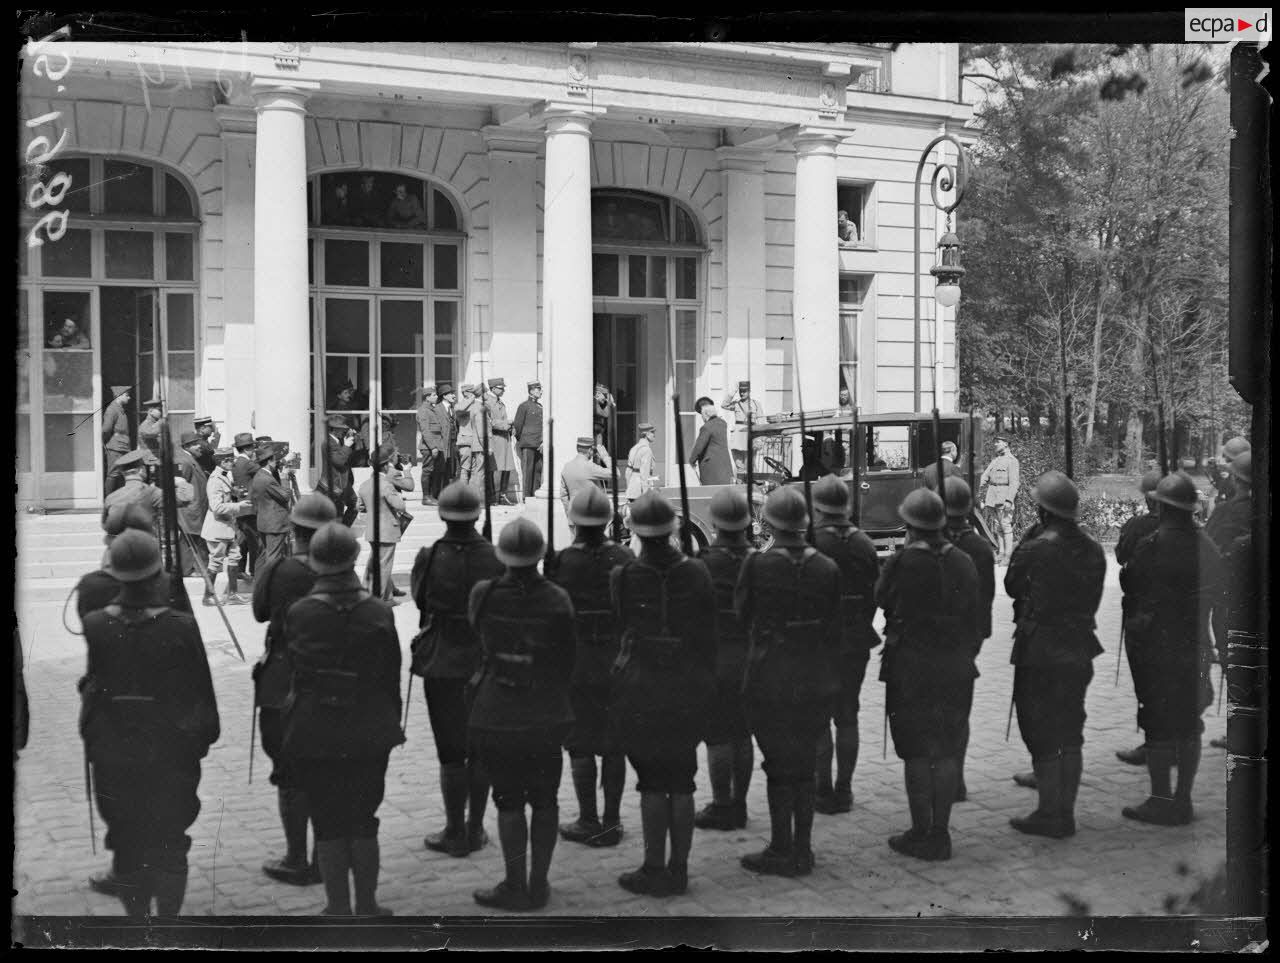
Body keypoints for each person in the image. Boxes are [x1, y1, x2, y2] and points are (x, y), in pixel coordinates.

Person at [80, 529, 220, 918]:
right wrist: (198, 741)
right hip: (170, 753)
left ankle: (138, 927)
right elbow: (203, 698)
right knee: (171, 844)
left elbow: (94, 693)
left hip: (115, 755)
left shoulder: (95, 625)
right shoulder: (180, 626)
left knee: (126, 844)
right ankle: (168, 926)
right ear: (158, 574)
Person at [281, 522, 403, 916]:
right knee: (365, 819)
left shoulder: (301, 613)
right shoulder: (379, 611)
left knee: (328, 821)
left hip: (317, 727)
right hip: (369, 727)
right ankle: (366, 904)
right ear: (354, 559)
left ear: (315, 562)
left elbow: (295, 672)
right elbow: (391, 677)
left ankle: (336, 906)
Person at [467, 518, 578, 911]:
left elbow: (476, 635)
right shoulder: (557, 598)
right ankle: (538, 881)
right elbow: (568, 656)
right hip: (545, 708)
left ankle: (515, 883)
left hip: (498, 707)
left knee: (509, 800)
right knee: (545, 799)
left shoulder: (484, 593)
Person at [610, 491, 716, 897]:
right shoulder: (697, 573)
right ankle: (679, 868)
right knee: (683, 779)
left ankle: (655, 867)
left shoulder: (625, 576)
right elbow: (708, 632)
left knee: (652, 782)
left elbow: (623, 625)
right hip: (687, 682)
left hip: (642, 684)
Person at [733, 487, 842, 877]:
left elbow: (742, 616)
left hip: (771, 673)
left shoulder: (758, 566)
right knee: (806, 762)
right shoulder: (826, 566)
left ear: (770, 523)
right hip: (815, 674)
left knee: (778, 764)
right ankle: (803, 847)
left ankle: (783, 847)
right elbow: (834, 622)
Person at [877, 488, 980, 862]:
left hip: (911, 666)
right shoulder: (964, 560)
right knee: (948, 747)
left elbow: (881, 598)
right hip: (955, 663)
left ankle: (922, 832)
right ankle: (941, 832)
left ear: (909, 524)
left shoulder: (901, 563)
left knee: (917, 753)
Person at [1004, 471, 1106, 839]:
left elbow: (1012, 584)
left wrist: (1029, 539)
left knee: (1041, 731)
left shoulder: (1036, 547)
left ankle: (1051, 813)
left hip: (1041, 649)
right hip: (1078, 645)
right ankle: (1064, 809)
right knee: (1070, 732)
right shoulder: (1094, 548)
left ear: (1043, 512)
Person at [1119, 472, 1220, 827]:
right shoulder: (1206, 544)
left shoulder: (1150, 545)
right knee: (1189, 724)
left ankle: (1161, 799)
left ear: (1161, 506)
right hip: (1195, 645)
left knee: (1159, 726)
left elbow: (1130, 583)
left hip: (1159, 648)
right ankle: (1183, 799)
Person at [409, 482, 504, 858]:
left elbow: (419, 599)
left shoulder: (429, 557)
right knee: (479, 748)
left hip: (443, 659)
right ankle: (476, 826)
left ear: (443, 515)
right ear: (478, 515)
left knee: (450, 751)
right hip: (484, 659)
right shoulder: (495, 557)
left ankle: (454, 827)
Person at [251, 493, 338, 887]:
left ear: (295, 530)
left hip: (283, 681)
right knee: (325, 771)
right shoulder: (341, 573)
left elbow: (259, 612)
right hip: (331, 681)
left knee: (289, 773)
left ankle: (296, 856)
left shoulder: (279, 568)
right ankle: (325, 858)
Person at [551, 487, 635, 850]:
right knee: (614, 743)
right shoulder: (625, 555)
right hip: (616, 659)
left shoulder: (563, 561)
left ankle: (589, 818)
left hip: (578, 660)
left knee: (581, 744)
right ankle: (612, 819)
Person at [810, 475, 881, 816]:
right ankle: (845, 788)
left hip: (820, 641)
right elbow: (873, 595)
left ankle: (822, 788)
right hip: (856, 638)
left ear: (818, 507)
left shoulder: (812, 542)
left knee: (821, 717)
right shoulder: (864, 542)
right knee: (848, 714)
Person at [693, 488, 757, 832]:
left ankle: (721, 804)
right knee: (743, 734)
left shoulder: (705, 562)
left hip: (717, 655)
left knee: (718, 736)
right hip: (749, 654)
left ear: (715, 523)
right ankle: (740, 803)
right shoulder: (757, 559)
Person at [942, 478, 995, 802]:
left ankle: (945, 777)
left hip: (938, 640)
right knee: (958, 714)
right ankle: (956, 777)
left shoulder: (936, 544)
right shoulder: (978, 546)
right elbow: (986, 597)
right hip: (967, 638)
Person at [1112, 470, 1163, 768]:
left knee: (1147, 682)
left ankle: (1153, 743)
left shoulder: (1137, 526)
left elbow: (1120, 557)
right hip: (1179, 619)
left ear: (1147, 497)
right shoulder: (1195, 530)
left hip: (1143, 615)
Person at [1203, 449, 1253, 750]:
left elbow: (1207, 550)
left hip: (1230, 599)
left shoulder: (1226, 512)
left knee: (1234, 663)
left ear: (1237, 479)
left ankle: (1241, 732)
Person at [357, 442, 414, 602]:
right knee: (384, 565)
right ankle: (380, 599)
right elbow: (400, 505)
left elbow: (360, 507)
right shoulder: (386, 485)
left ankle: (373, 592)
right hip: (387, 530)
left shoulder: (365, 484)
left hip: (372, 530)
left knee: (375, 562)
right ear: (386, 465)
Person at [200, 447, 253, 606]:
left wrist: (235, 494)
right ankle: (208, 596)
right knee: (215, 561)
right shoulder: (215, 480)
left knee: (235, 557)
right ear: (222, 461)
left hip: (227, 527)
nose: (233, 462)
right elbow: (216, 507)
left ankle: (232, 594)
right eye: (230, 460)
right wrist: (239, 506)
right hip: (217, 528)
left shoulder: (223, 476)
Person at [251, 443, 294, 572]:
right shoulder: (267, 479)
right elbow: (285, 496)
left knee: (263, 556)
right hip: (274, 524)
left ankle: (259, 585)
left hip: (265, 522)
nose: (277, 462)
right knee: (273, 557)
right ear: (269, 461)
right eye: (275, 459)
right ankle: (269, 588)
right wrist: (284, 477)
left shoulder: (259, 475)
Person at [174, 431, 210, 576]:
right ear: (187, 446)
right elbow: (181, 485)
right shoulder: (184, 461)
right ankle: (186, 570)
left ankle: (197, 569)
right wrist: (186, 507)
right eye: (195, 444)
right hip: (190, 509)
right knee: (188, 540)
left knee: (194, 540)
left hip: (195, 509)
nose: (199, 447)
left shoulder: (189, 459)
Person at [980, 437, 1020, 563]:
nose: (995, 444)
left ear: (1006, 444)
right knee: (998, 527)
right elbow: (984, 477)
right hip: (992, 496)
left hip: (1004, 497)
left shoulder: (1012, 461)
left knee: (1006, 526)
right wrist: (976, 488)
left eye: (998, 442)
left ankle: (1008, 555)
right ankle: (1001, 553)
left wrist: (1009, 500)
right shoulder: (996, 460)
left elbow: (1014, 483)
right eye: (995, 442)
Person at [231, 432, 262, 579]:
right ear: (248, 449)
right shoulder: (248, 463)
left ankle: (239, 569)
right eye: (253, 448)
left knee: (243, 541)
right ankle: (255, 571)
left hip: (241, 508)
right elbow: (265, 470)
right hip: (250, 508)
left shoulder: (237, 462)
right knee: (254, 541)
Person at [560, 436, 613, 522]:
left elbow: (563, 495)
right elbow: (616, 474)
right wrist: (605, 457)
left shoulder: (567, 467)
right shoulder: (590, 467)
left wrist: (569, 513)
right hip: (590, 516)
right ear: (589, 450)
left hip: (573, 515)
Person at [320, 414, 360, 526]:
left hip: (344, 483)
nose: (344, 430)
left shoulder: (339, 440)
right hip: (334, 484)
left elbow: (349, 456)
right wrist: (347, 446)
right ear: (335, 429)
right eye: (342, 429)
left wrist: (351, 441)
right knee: (336, 514)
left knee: (355, 504)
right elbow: (339, 461)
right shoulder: (328, 443)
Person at [721, 381, 764, 479]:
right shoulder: (736, 404)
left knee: (750, 465)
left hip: (751, 435)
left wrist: (761, 439)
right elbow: (724, 405)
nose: (742, 393)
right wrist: (733, 391)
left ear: (749, 391)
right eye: (740, 391)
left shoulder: (756, 404)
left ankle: (755, 485)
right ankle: (741, 485)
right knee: (739, 464)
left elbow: (762, 421)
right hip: (738, 436)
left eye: (744, 391)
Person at [485, 378, 518, 505]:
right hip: (494, 438)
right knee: (492, 469)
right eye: (500, 388)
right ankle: (492, 497)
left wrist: (511, 427)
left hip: (504, 439)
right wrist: (507, 423)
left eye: (503, 388)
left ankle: (503, 495)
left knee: (507, 467)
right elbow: (489, 422)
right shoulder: (487, 402)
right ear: (492, 388)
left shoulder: (498, 401)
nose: (503, 390)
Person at [688, 396, 734, 486]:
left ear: (705, 414)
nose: (702, 417)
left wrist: (692, 460)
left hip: (711, 469)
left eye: (701, 414)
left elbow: (699, 446)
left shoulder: (706, 427)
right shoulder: (722, 423)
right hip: (725, 467)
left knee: (711, 494)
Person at [415, 383, 448, 506]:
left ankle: (433, 496)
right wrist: (433, 447)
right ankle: (426, 497)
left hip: (437, 446)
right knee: (428, 471)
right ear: (427, 397)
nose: (436, 397)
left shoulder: (432, 409)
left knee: (436, 471)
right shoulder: (423, 411)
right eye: (433, 395)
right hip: (429, 447)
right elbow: (425, 430)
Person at [512, 381, 544, 499]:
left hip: (539, 444)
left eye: (540, 389)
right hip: (528, 443)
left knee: (538, 471)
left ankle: (535, 494)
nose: (540, 391)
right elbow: (518, 426)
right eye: (538, 389)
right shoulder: (524, 406)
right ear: (531, 391)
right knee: (528, 470)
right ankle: (526, 496)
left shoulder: (540, 406)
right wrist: (523, 440)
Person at [455, 384, 487, 499]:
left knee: (475, 471)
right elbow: (458, 409)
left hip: (475, 443)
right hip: (465, 442)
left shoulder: (475, 405)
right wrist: (471, 399)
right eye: (469, 392)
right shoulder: (462, 405)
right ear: (465, 393)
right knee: (465, 470)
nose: (472, 394)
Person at [102, 386, 133, 495]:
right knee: (113, 474)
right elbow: (106, 429)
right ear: (119, 395)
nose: (129, 398)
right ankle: (108, 501)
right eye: (127, 395)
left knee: (121, 474)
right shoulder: (112, 409)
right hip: (116, 447)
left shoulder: (120, 409)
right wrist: (106, 443)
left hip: (123, 446)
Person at [593, 384, 616, 469]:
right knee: (596, 455)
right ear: (598, 393)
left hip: (598, 433)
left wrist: (606, 402)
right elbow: (605, 414)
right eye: (604, 395)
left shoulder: (599, 403)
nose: (605, 398)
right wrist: (608, 403)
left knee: (599, 455)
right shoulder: (594, 401)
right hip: (594, 433)